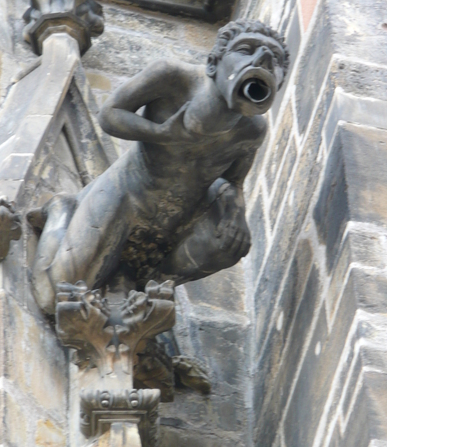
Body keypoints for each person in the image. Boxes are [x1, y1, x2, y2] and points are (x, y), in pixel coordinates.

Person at [30, 19, 289, 316]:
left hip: (176, 219)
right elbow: (110, 115)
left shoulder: (252, 131)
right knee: (53, 298)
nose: (262, 61)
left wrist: (235, 216)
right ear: (213, 64)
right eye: (245, 50)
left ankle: (147, 283)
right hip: (126, 197)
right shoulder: (173, 78)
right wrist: (161, 133)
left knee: (230, 242)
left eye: (274, 60)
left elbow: (234, 182)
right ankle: (61, 210)